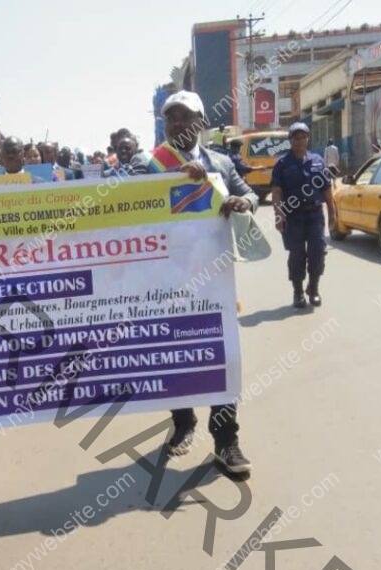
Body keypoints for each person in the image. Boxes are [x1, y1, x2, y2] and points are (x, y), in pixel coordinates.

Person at [131, 90, 258, 476]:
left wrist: (244, 204)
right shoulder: (148, 163)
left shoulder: (220, 162)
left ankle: (226, 441)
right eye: (171, 118)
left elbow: (249, 193)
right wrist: (172, 180)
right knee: (176, 355)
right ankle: (184, 422)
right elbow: (125, 201)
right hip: (166, 278)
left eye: (186, 117)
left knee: (222, 358)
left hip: (214, 276)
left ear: (201, 123)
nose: (178, 124)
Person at [270, 123, 337, 312]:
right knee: (297, 255)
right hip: (293, 217)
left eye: (303, 137)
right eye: (296, 138)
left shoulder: (317, 161)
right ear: (290, 141)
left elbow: (326, 188)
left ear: (308, 139)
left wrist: (332, 212)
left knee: (318, 253)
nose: (300, 141)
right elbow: (276, 192)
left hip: (315, 215)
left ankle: (313, 288)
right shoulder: (282, 164)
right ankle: (298, 292)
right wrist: (278, 215)